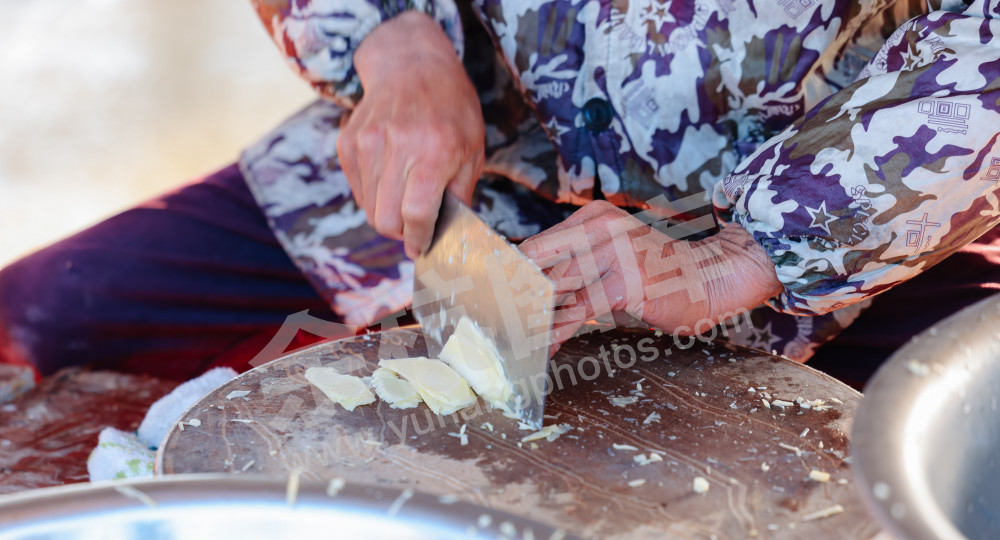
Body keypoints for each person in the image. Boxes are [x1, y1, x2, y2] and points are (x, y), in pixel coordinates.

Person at [1, 0, 998, 388]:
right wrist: (386, 40)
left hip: (848, 238)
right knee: (36, 334)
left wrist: (744, 253)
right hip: (461, 176)